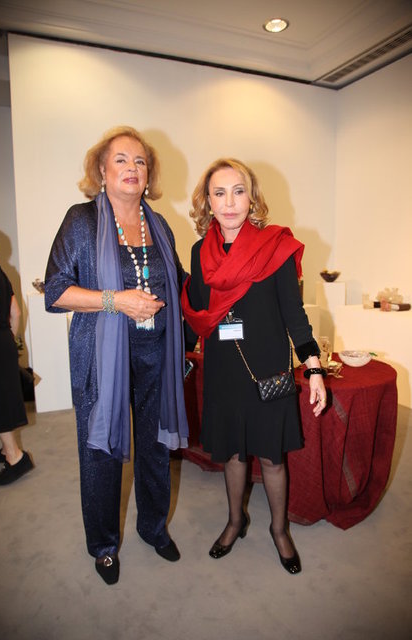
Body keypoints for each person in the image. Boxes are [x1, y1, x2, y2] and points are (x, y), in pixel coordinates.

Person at [45, 126, 189, 585]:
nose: (132, 168)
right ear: (102, 171)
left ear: (148, 174)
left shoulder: (159, 225)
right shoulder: (82, 220)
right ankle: (104, 545)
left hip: (156, 353)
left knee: (155, 444)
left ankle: (153, 527)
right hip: (100, 357)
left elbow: (180, 283)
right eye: (121, 160)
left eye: (140, 161)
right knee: (101, 450)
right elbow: (55, 292)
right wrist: (116, 300)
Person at [181, 158, 327, 575]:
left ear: (252, 197)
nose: (229, 203)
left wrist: (314, 367)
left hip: (267, 369)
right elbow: (197, 313)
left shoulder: (274, 246)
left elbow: (294, 314)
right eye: (219, 193)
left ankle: (279, 530)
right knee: (232, 453)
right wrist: (179, 360)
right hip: (224, 370)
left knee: (272, 457)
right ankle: (235, 521)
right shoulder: (200, 252)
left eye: (238, 191)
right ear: (208, 202)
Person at [0, 230, 33, 485]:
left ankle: (16, 458)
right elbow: (15, 312)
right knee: (1, 398)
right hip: (2, 342)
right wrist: (8, 340)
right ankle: (7, 449)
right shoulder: (0, 272)